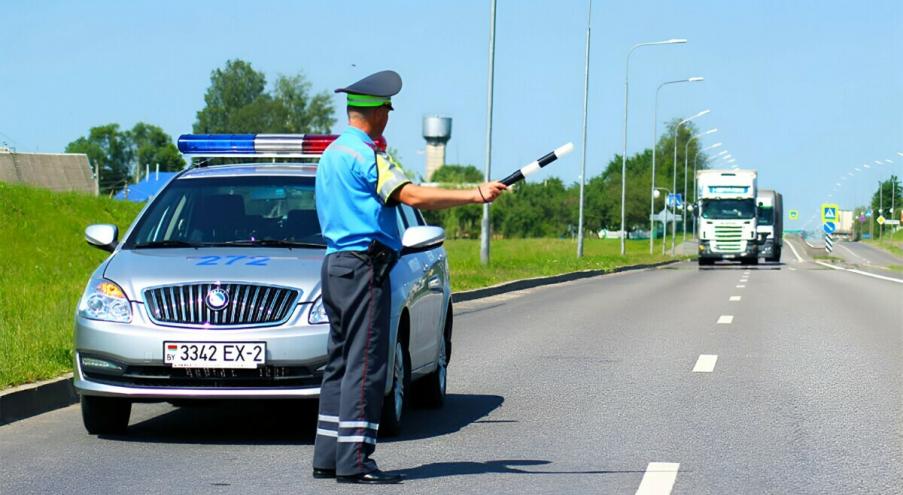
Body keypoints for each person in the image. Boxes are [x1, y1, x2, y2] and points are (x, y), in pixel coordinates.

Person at [312, 70, 507, 485]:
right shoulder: (367, 156)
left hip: (335, 265)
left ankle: (329, 454)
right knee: (366, 364)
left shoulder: (331, 154)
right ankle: (356, 461)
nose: (388, 116)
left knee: (340, 362)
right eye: (386, 109)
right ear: (377, 113)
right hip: (365, 266)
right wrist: (475, 194)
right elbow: (412, 195)